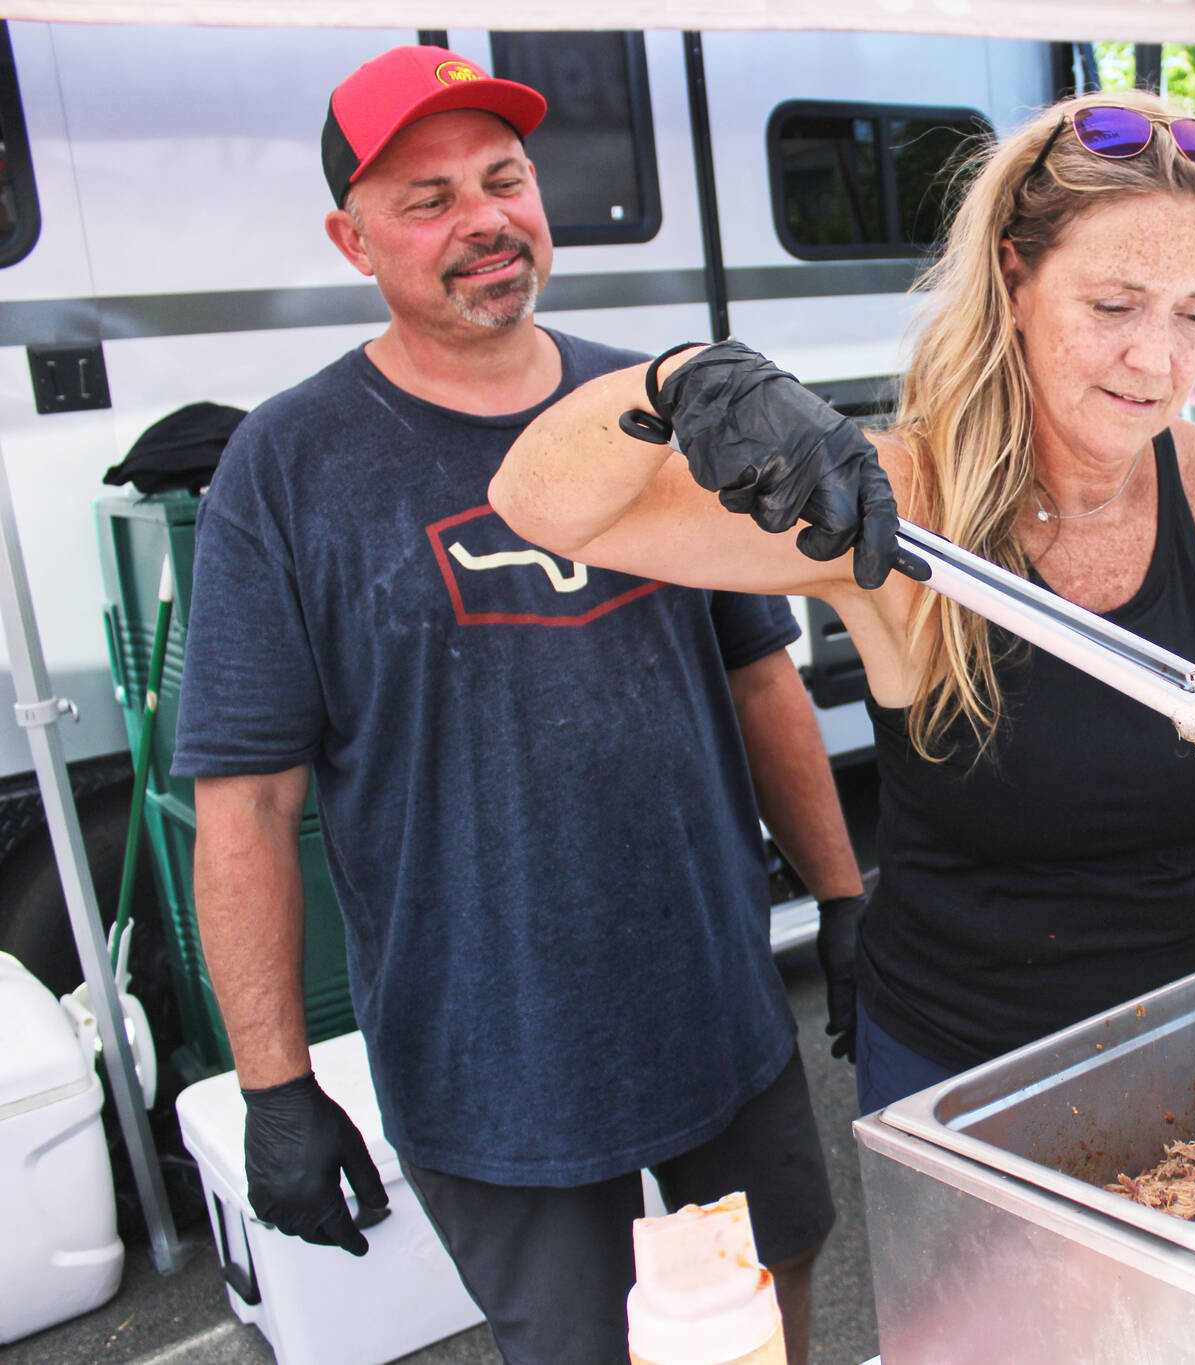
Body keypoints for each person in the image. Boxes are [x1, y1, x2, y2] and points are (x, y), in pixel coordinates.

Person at [491, 91, 1195, 1115]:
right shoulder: (897, 508)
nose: (1156, 359)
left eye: (1194, 315)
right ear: (1014, 279)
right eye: (1113, 307)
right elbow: (543, 508)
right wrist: (676, 381)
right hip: (965, 1075)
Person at [171, 46, 861, 1364]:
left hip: (711, 997)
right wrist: (275, 1085)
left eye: (505, 179)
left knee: (777, 1283)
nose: (484, 219)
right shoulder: (289, 464)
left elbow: (757, 670)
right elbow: (245, 805)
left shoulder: (653, 409)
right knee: (574, 1347)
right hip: (491, 1047)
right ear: (351, 238)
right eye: (427, 199)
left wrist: (841, 895)